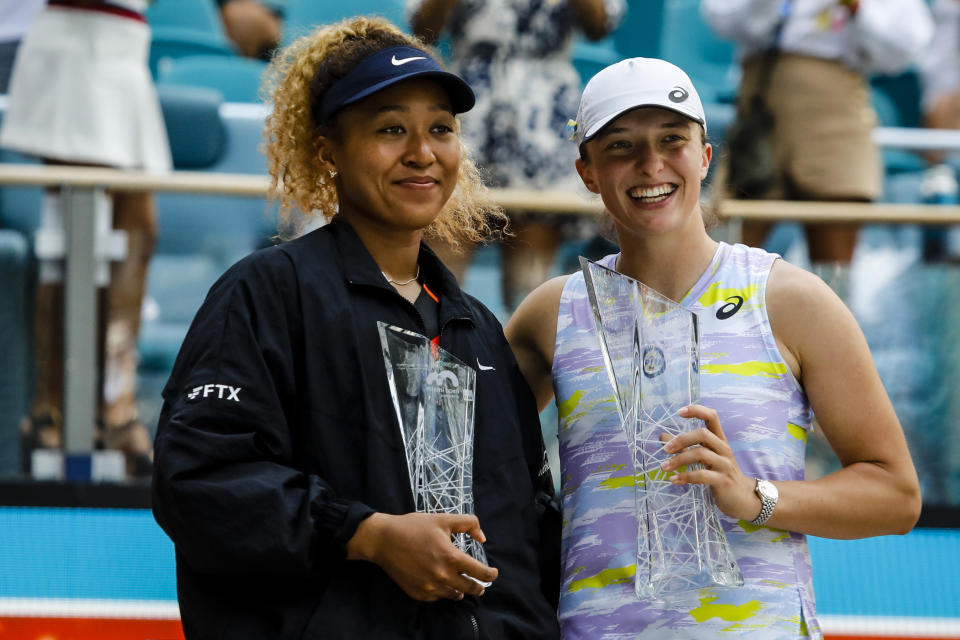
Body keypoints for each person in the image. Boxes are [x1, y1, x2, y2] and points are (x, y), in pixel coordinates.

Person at [151, 16, 561, 639]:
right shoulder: (268, 292)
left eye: (440, 130)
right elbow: (202, 481)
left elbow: (524, 528)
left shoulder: (474, 328)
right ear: (327, 152)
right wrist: (366, 535)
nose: (423, 153)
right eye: (391, 129)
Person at [506, 57, 921, 638]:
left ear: (704, 156)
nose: (651, 165)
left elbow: (896, 494)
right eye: (622, 145)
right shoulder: (552, 312)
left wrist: (756, 497)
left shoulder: (789, 298)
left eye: (672, 140)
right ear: (587, 171)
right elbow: (483, 469)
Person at [0, 0, 168, 477]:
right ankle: (73, 408)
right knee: (77, 237)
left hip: (120, 41)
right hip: (79, 39)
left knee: (125, 235)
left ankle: (87, 406)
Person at [409, 0, 625, 309]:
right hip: (469, 106)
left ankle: (523, 351)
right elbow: (423, 29)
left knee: (531, 276)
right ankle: (437, 340)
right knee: (448, 232)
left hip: (545, 116)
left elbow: (599, 27)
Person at [701, 0, 932, 271]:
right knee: (724, 256)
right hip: (760, 122)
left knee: (834, 269)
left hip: (836, 122)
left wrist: (856, 7)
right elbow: (722, 18)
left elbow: (905, 48)